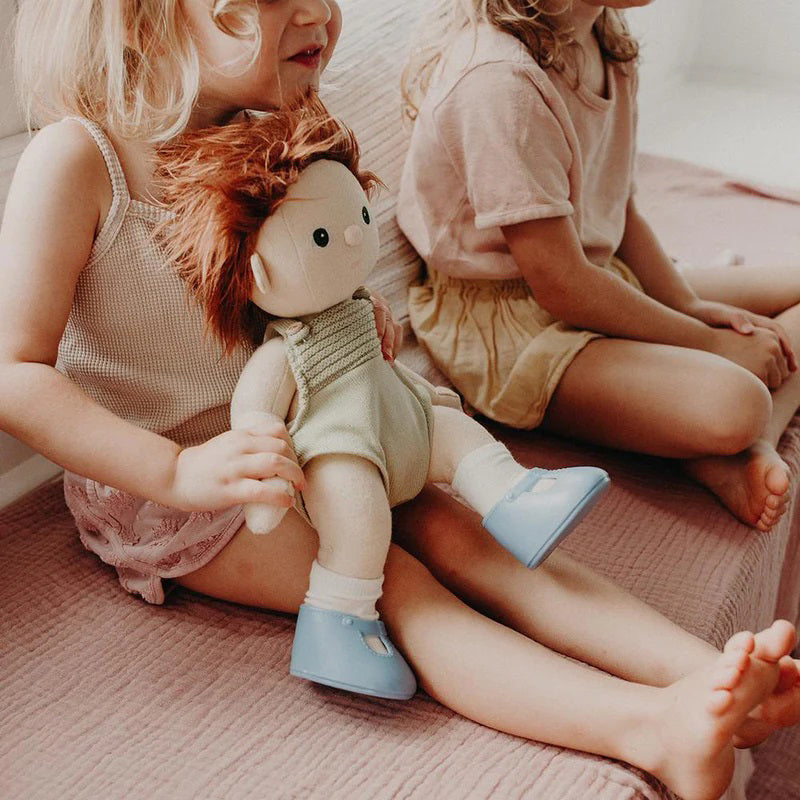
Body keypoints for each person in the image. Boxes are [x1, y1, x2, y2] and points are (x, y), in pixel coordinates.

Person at [0, 3, 798, 799]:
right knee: (392, 581)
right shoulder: (79, 160)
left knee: (478, 538)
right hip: (186, 492)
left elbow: (301, 293)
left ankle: (709, 673)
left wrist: (353, 325)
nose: (318, 12)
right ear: (142, 23)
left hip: (322, 430)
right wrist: (176, 471)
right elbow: (15, 372)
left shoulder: (273, 127)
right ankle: (651, 730)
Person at [397, 0, 800, 533]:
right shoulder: (499, 82)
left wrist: (689, 306)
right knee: (738, 401)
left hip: (594, 276)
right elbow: (561, 286)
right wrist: (706, 342)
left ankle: (747, 450)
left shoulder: (603, 36)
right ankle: (734, 435)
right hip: (512, 327)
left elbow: (619, 208)